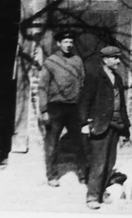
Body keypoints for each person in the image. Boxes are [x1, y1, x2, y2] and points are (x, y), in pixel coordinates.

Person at [79, 46, 131, 210]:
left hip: (115, 125)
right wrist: (84, 123)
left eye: (118, 58)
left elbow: (122, 105)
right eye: (115, 58)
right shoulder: (94, 76)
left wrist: (125, 129)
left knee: (110, 162)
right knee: (98, 163)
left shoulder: (118, 78)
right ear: (105, 59)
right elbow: (84, 101)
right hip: (100, 125)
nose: (118, 61)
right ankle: (92, 196)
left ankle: (101, 192)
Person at [38, 29, 88, 187]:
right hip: (55, 107)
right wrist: (44, 110)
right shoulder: (51, 62)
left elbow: (82, 81)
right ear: (59, 43)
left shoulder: (77, 61)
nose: (68, 45)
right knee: (52, 143)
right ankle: (52, 175)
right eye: (65, 42)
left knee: (80, 142)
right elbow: (42, 87)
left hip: (74, 107)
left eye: (71, 42)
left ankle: (83, 174)